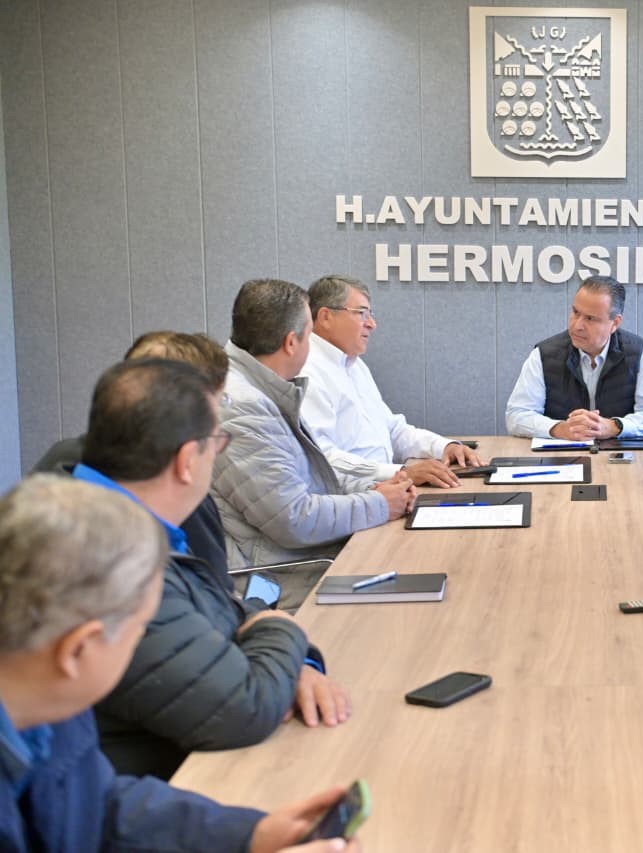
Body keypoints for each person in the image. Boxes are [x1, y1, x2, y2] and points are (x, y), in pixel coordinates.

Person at [0, 475, 359, 852]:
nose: (142, 640)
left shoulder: (51, 704)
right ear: (78, 650)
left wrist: (248, 835)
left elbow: (102, 809)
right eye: (139, 629)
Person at [72, 358, 350, 780]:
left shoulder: (123, 521)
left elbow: (217, 605)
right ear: (187, 460)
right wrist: (282, 627)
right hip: (166, 785)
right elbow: (245, 708)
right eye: (217, 442)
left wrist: (296, 664)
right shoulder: (116, 562)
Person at [214, 278, 415, 568]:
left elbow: (315, 479)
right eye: (309, 337)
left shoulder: (260, 389)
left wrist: (378, 487)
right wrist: (380, 503)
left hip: (305, 557)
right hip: (288, 573)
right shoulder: (243, 408)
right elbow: (294, 519)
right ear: (291, 343)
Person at [32, 331, 233, 573]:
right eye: (217, 402)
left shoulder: (63, 458)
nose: (217, 419)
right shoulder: (173, 487)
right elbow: (213, 582)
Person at [301, 274, 484, 489]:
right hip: (353, 497)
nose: (372, 324)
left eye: (370, 314)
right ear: (325, 317)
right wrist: (400, 473)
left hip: (386, 490)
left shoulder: (355, 366)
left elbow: (393, 430)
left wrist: (444, 447)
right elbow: (322, 458)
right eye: (361, 313)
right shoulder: (307, 371)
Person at [505, 276, 643, 440]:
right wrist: (560, 429)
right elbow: (516, 415)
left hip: (618, 454)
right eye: (575, 312)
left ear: (614, 323)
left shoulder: (638, 353)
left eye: (590, 318)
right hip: (561, 455)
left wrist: (613, 427)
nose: (577, 325)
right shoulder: (544, 354)